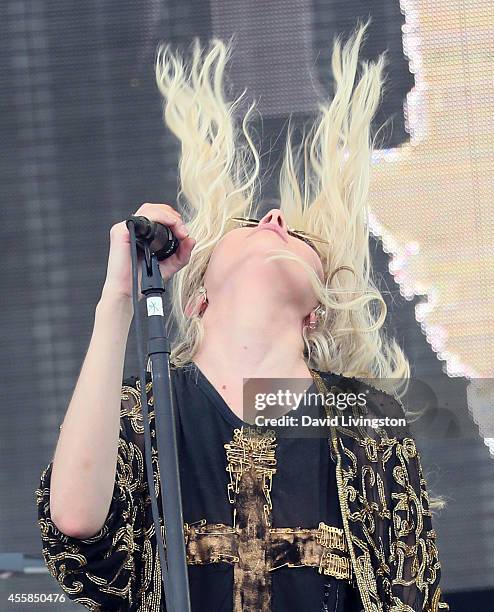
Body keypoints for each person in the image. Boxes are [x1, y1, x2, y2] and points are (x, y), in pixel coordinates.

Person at [35, 22, 449, 612]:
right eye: (251, 227)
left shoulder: (367, 421)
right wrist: (119, 298)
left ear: (316, 314)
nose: (276, 219)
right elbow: (76, 521)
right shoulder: (146, 412)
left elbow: (415, 594)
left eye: (299, 235)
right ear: (198, 297)